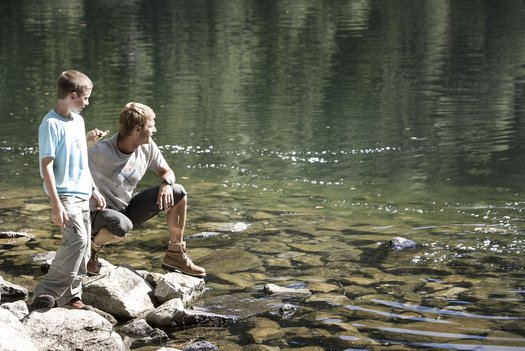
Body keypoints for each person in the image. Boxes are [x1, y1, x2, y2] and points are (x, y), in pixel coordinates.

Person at [87, 102, 205, 278]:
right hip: (98, 212)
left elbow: (166, 171)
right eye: (151, 126)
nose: (155, 129)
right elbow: (65, 163)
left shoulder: (147, 147)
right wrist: (84, 143)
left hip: (125, 208)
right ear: (136, 129)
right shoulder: (100, 150)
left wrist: (166, 183)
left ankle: (175, 255)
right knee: (122, 226)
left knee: (178, 192)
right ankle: (91, 250)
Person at [31, 70, 106, 310]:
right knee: (78, 240)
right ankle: (47, 290)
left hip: (82, 192)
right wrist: (55, 203)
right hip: (65, 195)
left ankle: (73, 295)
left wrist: (93, 188)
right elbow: (47, 166)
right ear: (73, 96)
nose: (87, 102)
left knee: (84, 247)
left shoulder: (78, 121)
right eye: (85, 98)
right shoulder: (50, 124)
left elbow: (80, 158)